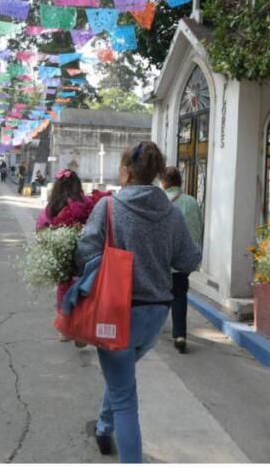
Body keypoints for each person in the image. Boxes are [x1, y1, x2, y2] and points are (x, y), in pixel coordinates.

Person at [75, 141, 201, 462]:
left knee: (124, 398)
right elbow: (188, 260)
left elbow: (84, 253)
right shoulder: (172, 214)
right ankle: (103, 428)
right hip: (156, 316)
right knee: (122, 379)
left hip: (116, 312)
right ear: (158, 173)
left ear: (127, 172)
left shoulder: (109, 207)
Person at [36, 169, 110, 345]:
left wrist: (49, 240)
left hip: (62, 252)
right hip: (86, 254)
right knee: (84, 289)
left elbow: (41, 226)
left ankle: (65, 329)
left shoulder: (53, 206)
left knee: (64, 288)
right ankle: (82, 328)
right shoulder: (85, 203)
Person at [160, 167, 203, 354]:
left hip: (162, 258)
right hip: (182, 259)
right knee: (179, 294)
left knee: (160, 295)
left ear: (164, 182)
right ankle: (180, 334)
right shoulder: (191, 202)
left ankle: (153, 329)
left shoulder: (160, 201)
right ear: (180, 182)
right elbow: (197, 230)